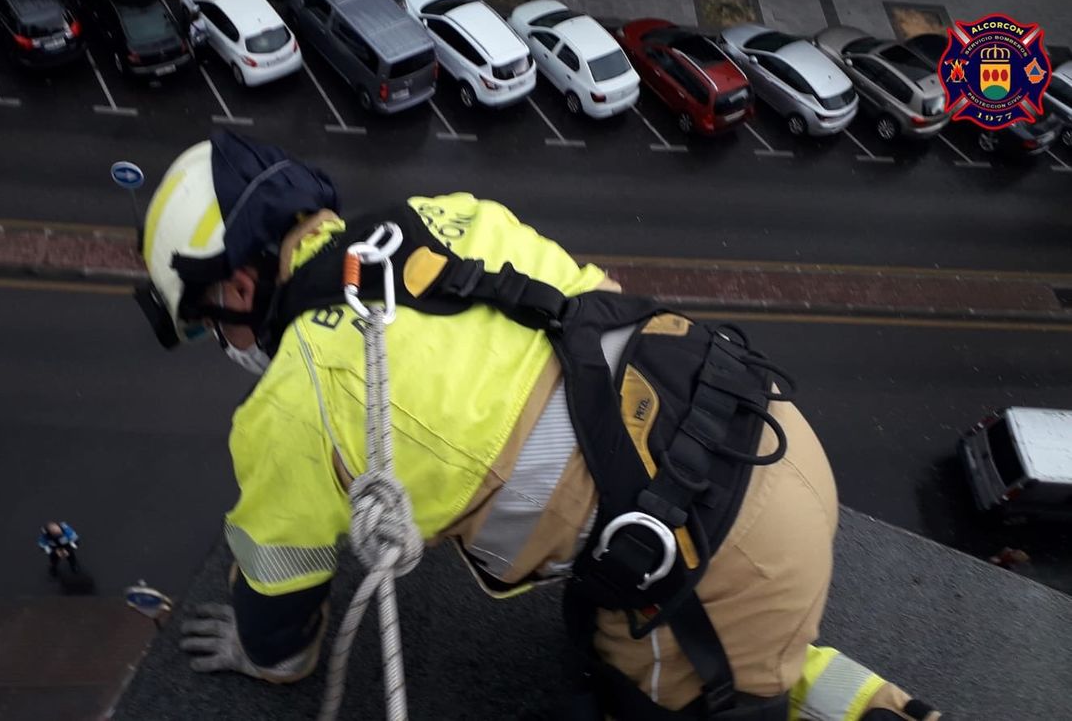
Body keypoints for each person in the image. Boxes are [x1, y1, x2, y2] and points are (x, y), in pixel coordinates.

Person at [135, 132, 941, 720]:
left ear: (239, 287)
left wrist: (262, 652)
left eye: (208, 325)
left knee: (657, 690)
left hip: (717, 561)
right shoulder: (443, 217)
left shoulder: (295, 398)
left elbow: (281, 607)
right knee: (743, 640)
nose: (224, 344)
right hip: (758, 430)